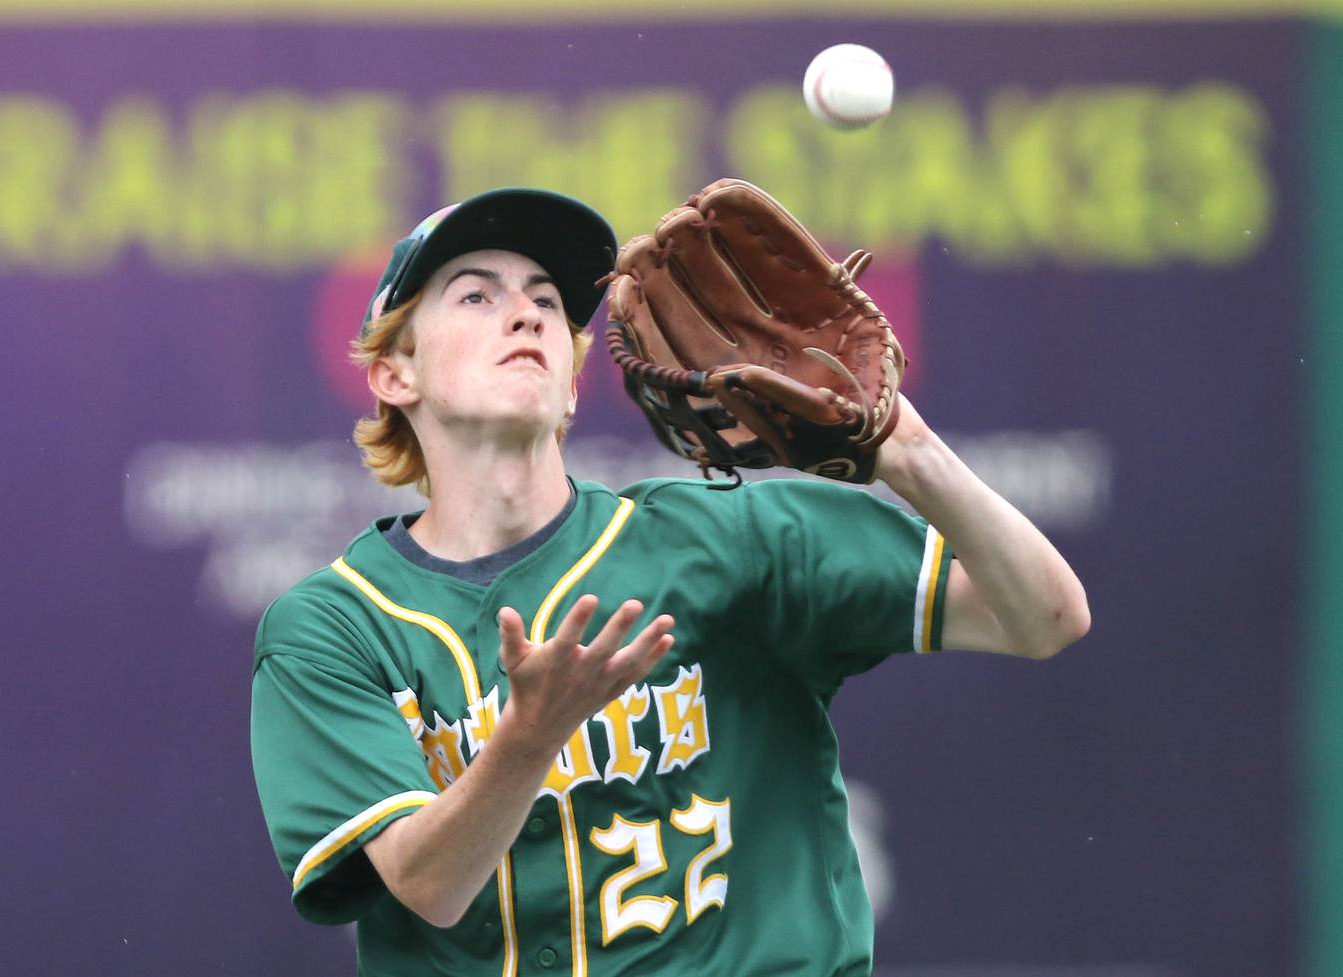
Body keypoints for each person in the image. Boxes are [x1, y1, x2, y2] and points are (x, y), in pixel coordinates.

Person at [250, 187, 1090, 977]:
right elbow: (428, 884)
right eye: (475, 295)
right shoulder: (332, 627)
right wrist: (529, 736)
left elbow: (1044, 615)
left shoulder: (733, 539)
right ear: (396, 373)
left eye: (547, 301)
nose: (527, 314)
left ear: (573, 382)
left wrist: (907, 451)